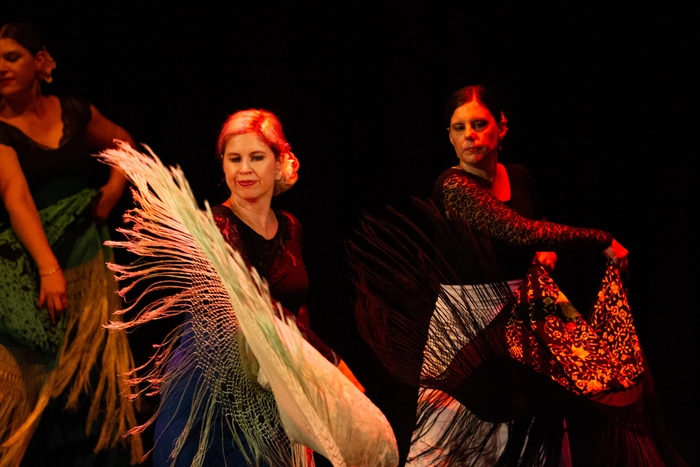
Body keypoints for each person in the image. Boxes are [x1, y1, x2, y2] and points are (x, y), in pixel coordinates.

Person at [349, 84, 685, 466]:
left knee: (540, 422)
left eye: (479, 124)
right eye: (459, 128)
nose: (470, 135)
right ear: (450, 137)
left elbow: (538, 225)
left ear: (501, 127)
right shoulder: (452, 186)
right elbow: (520, 230)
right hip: (471, 320)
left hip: (527, 309)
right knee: (456, 436)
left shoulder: (520, 176)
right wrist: (601, 239)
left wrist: (546, 252)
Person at [143, 109, 370, 466]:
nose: (244, 169)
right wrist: (333, 365)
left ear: (279, 162)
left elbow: (296, 307)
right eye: (234, 159)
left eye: (256, 157)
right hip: (215, 396)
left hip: (271, 385)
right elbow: (260, 308)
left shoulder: (290, 226)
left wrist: (308, 387)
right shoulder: (218, 226)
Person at [0, 22, 142, 465]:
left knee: (94, 375)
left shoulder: (75, 111)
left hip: (86, 257)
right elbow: (16, 197)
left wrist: (114, 188)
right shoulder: (0, 129)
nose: (1, 67)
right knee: (35, 374)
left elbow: (124, 143)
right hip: (28, 265)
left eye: (11, 57)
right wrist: (48, 268)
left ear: (40, 61)